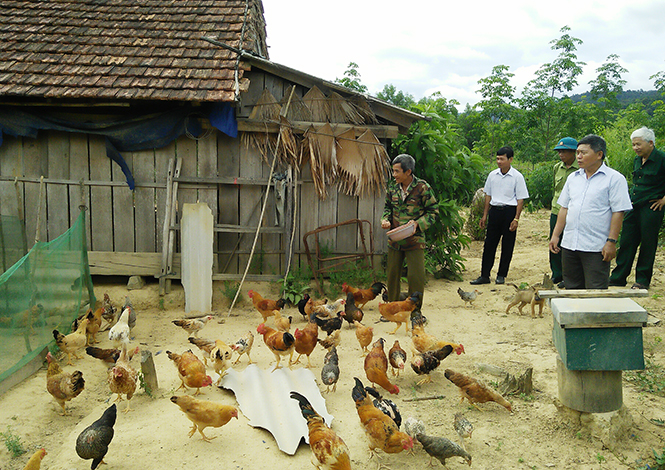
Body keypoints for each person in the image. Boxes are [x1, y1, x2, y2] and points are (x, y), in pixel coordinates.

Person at [549, 134, 632, 289]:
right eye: (578, 152)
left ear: (599, 154)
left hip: (596, 247)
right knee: (572, 289)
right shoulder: (573, 178)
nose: (578, 156)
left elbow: (618, 212)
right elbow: (564, 208)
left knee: (595, 291)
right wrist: (555, 235)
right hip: (570, 245)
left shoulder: (614, 179)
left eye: (583, 153)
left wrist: (611, 242)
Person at [609, 127, 665, 290]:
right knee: (627, 241)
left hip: (651, 207)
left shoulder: (661, 159)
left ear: (651, 143)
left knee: (648, 243)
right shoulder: (636, 160)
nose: (635, 148)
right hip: (634, 205)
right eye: (633, 145)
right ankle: (618, 277)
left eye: (638, 144)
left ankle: (642, 280)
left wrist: (663, 200)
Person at [381, 154, 439, 302]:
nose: (394, 175)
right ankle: (392, 309)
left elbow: (433, 211)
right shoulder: (393, 187)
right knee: (392, 276)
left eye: (397, 171)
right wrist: (385, 219)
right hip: (395, 241)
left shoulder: (422, 187)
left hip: (415, 240)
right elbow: (387, 207)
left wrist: (418, 224)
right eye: (392, 171)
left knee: (416, 277)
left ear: (408, 172)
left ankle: (415, 313)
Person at [470, 146, 529, 285]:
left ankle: (501, 274)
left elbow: (520, 199)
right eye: (497, 159)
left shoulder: (517, 177)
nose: (499, 162)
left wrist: (516, 218)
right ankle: (484, 275)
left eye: (502, 159)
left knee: (507, 245)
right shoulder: (492, 175)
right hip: (495, 212)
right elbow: (488, 196)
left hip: (509, 212)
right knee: (489, 244)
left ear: (510, 159)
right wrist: (485, 215)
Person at [549, 137, 579, 288]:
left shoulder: (581, 168)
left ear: (574, 152)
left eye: (564, 151)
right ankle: (556, 274)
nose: (561, 154)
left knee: (570, 244)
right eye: (559, 152)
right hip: (557, 209)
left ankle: (569, 276)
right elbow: (556, 188)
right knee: (555, 242)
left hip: (574, 212)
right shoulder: (557, 167)